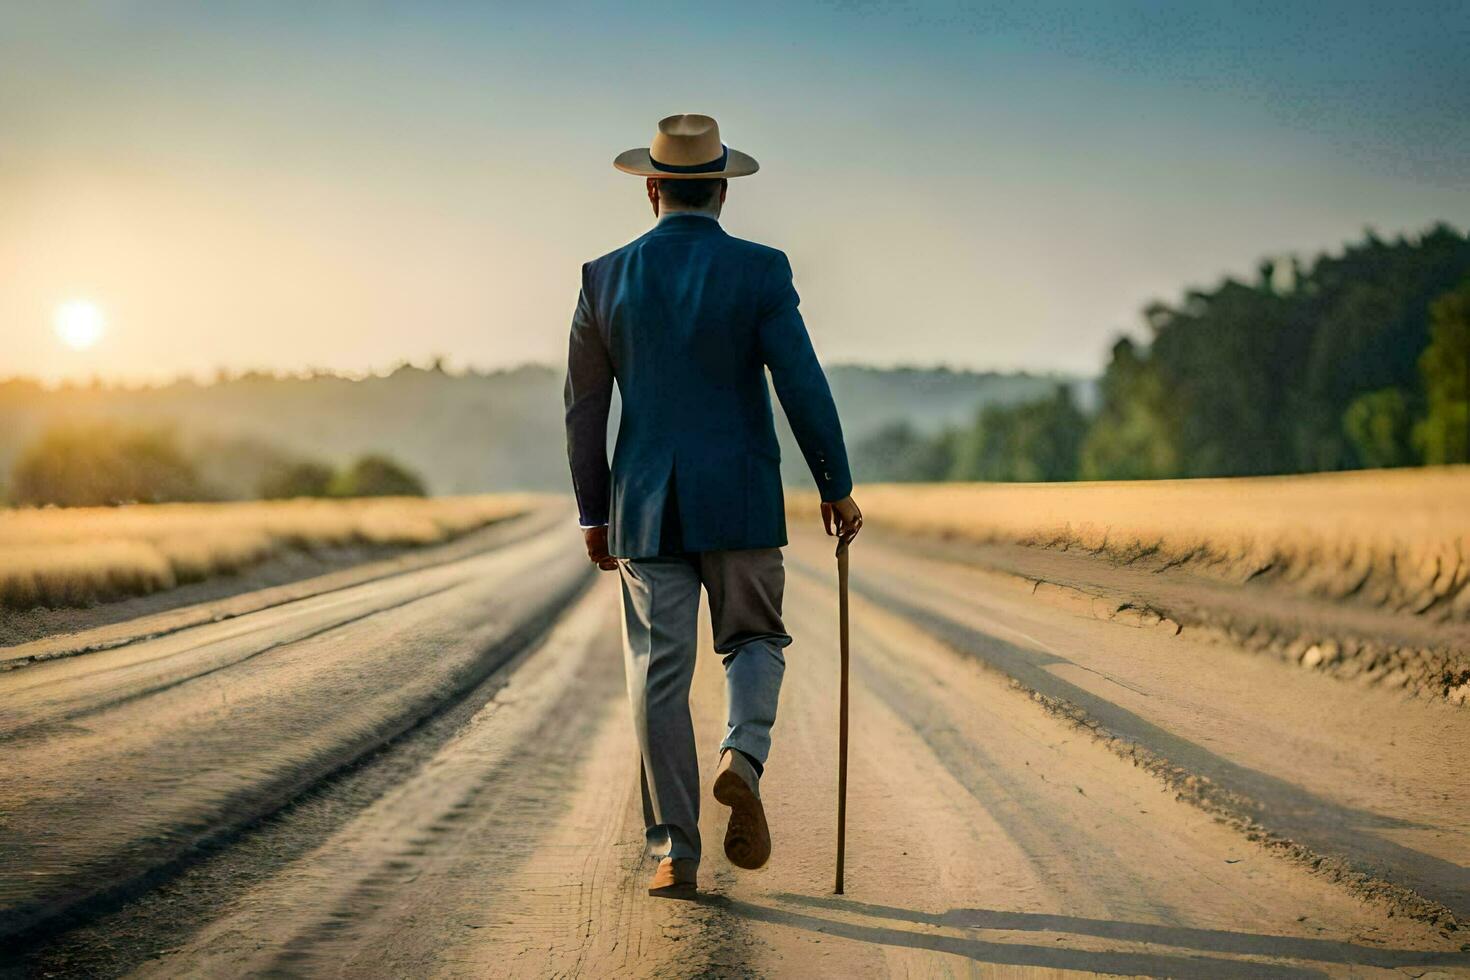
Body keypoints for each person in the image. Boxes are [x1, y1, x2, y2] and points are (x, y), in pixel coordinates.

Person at [564, 113, 862, 900]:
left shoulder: (604, 278)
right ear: (722, 191)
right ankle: (744, 756)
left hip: (647, 507)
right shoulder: (761, 271)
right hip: (740, 497)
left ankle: (675, 853)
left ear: (653, 189)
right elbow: (801, 382)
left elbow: (583, 409)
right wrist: (834, 483)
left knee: (659, 676)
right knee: (756, 637)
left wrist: (595, 513)